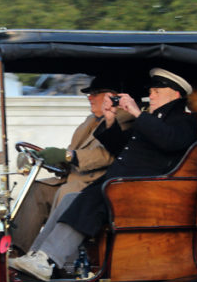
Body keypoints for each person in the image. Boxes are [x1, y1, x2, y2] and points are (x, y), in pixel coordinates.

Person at [11, 68, 197, 281]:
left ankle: (49, 260)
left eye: (157, 90)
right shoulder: (152, 119)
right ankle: (38, 256)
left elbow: (170, 140)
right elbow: (122, 148)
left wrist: (137, 113)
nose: (152, 95)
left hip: (142, 191)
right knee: (73, 199)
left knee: (91, 197)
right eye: (152, 90)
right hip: (122, 185)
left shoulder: (184, 121)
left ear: (175, 94)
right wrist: (110, 121)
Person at [10, 75, 131, 254]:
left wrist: (66, 155)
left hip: (95, 187)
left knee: (66, 192)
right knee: (38, 190)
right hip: (74, 179)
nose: (90, 97)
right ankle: (18, 250)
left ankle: (47, 257)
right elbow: (72, 152)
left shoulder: (124, 119)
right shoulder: (91, 121)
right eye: (89, 93)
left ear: (113, 97)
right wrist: (52, 157)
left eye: (96, 93)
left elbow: (106, 156)